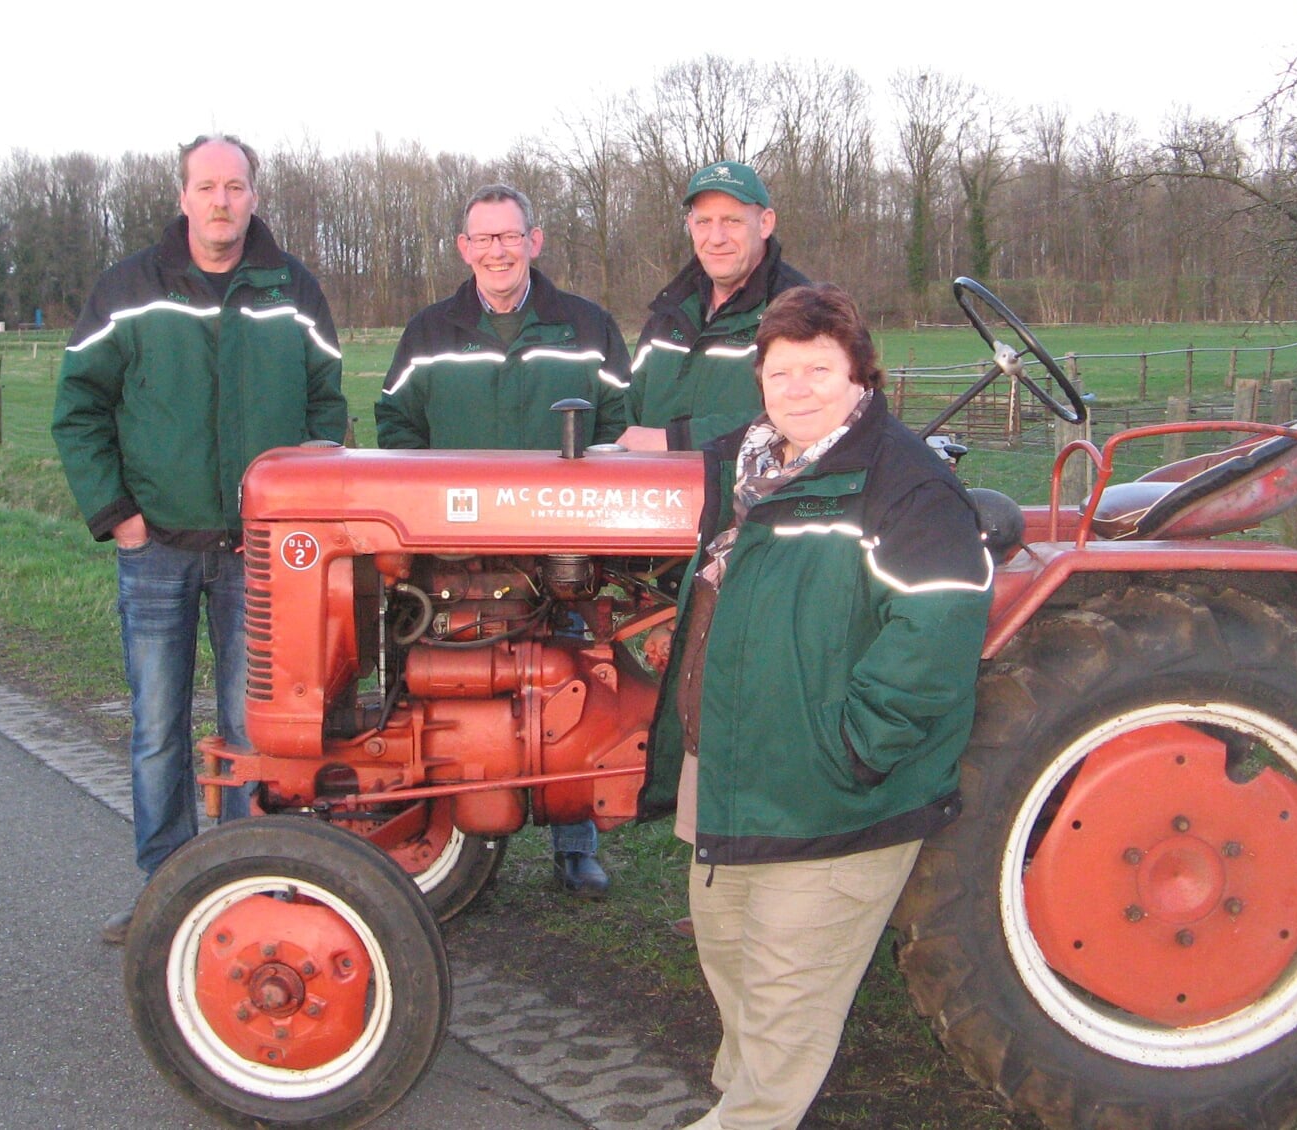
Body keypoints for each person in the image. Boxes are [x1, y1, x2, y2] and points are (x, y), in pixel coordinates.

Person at [641, 285, 991, 1130]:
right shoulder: (746, 470)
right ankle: (740, 1100)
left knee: (789, 987)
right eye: (779, 369)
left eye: (818, 369)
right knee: (731, 957)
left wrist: (854, 751)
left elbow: (935, 634)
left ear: (860, 377)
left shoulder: (904, 486)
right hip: (732, 767)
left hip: (832, 785)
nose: (796, 387)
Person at [52, 134, 348, 944]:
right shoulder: (130, 290)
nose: (222, 201)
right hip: (159, 549)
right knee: (157, 724)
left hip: (261, 558)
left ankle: (252, 887)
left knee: (256, 729)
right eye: (207, 186)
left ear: (255, 196)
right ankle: (165, 885)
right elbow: (78, 407)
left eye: (237, 186)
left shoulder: (293, 290)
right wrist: (117, 514)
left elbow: (328, 408)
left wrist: (301, 516)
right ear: (183, 196)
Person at [375, 184, 628, 896]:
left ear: (534, 241)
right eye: (483, 239)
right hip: (452, 553)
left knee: (573, 684)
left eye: (509, 236)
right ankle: (460, 843)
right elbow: (395, 427)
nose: (497, 251)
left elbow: (618, 422)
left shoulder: (585, 327)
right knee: (447, 691)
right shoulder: (430, 333)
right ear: (464, 249)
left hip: (559, 549)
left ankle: (575, 846)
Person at [618, 160, 808, 453]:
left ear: (765, 223)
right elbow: (629, 411)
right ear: (691, 226)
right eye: (704, 222)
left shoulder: (804, 311)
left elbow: (814, 419)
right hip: (662, 495)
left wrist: (678, 440)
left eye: (732, 221)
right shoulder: (668, 314)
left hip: (754, 498)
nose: (716, 238)